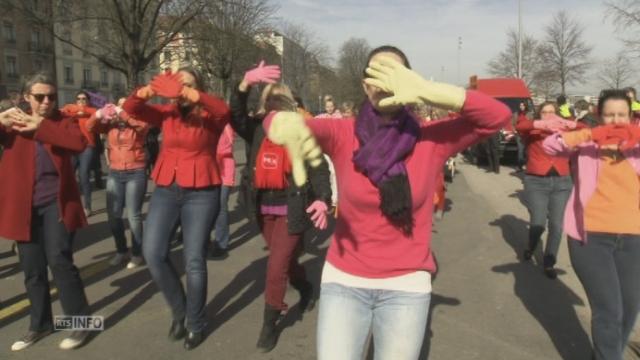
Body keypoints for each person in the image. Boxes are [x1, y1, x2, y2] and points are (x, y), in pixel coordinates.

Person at [264, 45, 511, 359]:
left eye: (392, 73)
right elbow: (274, 121)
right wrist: (279, 124)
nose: (382, 82)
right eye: (374, 73)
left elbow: (497, 117)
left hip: (406, 285)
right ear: (364, 84)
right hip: (345, 280)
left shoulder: (430, 139)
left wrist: (427, 91)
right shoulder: (342, 132)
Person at [122, 68, 230, 350]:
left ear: (197, 88)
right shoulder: (167, 112)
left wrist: (188, 93)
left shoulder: (209, 114)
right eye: (177, 83)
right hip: (167, 188)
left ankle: (195, 322)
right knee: (153, 253)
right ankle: (180, 311)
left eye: (188, 85)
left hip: (202, 192)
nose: (180, 90)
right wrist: (148, 91)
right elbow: (131, 108)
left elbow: (224, 110)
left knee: (194, 260)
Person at [231, 61, 332, 353]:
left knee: (275, 267)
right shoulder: (255, 128)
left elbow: (319, 167)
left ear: (288, 103)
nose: (273, 105)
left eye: (279, 99)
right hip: (263, 206)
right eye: (269, 100)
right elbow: (235, 114)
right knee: (285, 262)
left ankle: (270, 322)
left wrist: (322, 198)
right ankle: (304, 286)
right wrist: (244, 84)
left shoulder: (300, 129)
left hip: (293, 206)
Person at [543, 89, 640, 360]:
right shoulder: (586, 145)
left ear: (631, 116)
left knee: (630, 309)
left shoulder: (636, 147)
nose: (616, 120)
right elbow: (551, 145)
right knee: (609, 310)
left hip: (633, 237)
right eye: (609, 114)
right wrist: (590, 134)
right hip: (591, 238)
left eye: (622, 114)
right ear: (599, 115)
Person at [0, 72, 91, 351]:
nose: (46, 102)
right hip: (24, 207)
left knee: (60, 261)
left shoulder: (64, 121)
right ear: (27, 97)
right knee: (33, 270)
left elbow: (78, 143)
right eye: (40, 97)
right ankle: (40, 325)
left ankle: (80, 324)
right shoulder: (12, 122)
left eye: (51, 96)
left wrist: (40, 126)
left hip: (56, 204)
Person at [516, 101, 580, 279]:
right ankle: (531, 245)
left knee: (557, 225)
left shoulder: (565, 131)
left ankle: (549, 261)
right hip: (537, 182)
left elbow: (584, 127)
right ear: (539, 115)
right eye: (544, 112)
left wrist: (568, 119)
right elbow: (520, 125)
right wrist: (539, 122)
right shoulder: (533, 132)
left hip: (562, 182)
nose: (549, 115)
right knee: (538, 222)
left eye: (552, 112)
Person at [86, 98, 149, 269]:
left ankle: (137, 253)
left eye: (124, 105)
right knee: (113, 215)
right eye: (119, 104)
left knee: (133, 215)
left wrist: (124, 114)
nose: (120, 108)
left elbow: (143, 128)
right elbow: (90, 127)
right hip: (115, 172)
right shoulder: (110, 124)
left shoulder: (138, 121)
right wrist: (98, 114)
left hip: (135, 171)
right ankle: (121, 250)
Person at [61, 91, 97, 216]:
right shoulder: (71, 109)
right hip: (72, 147)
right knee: (67, 176)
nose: (81, 101)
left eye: (84, 98)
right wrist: (77, 110)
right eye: (78, 98)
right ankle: (68, 205)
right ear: (75, 100)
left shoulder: (92, 111)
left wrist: (80, 111)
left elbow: (95, 113)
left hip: (87, 146)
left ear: (88, 100)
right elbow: (64, 110)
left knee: (84, 176)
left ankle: (87, 207)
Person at [209, 123, 235, 259]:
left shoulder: (225, 126)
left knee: (220, 207)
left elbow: (225, 147)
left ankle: (221, 244)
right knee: (205, 208)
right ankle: (203, 240)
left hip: (224, 171)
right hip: (207, 171)